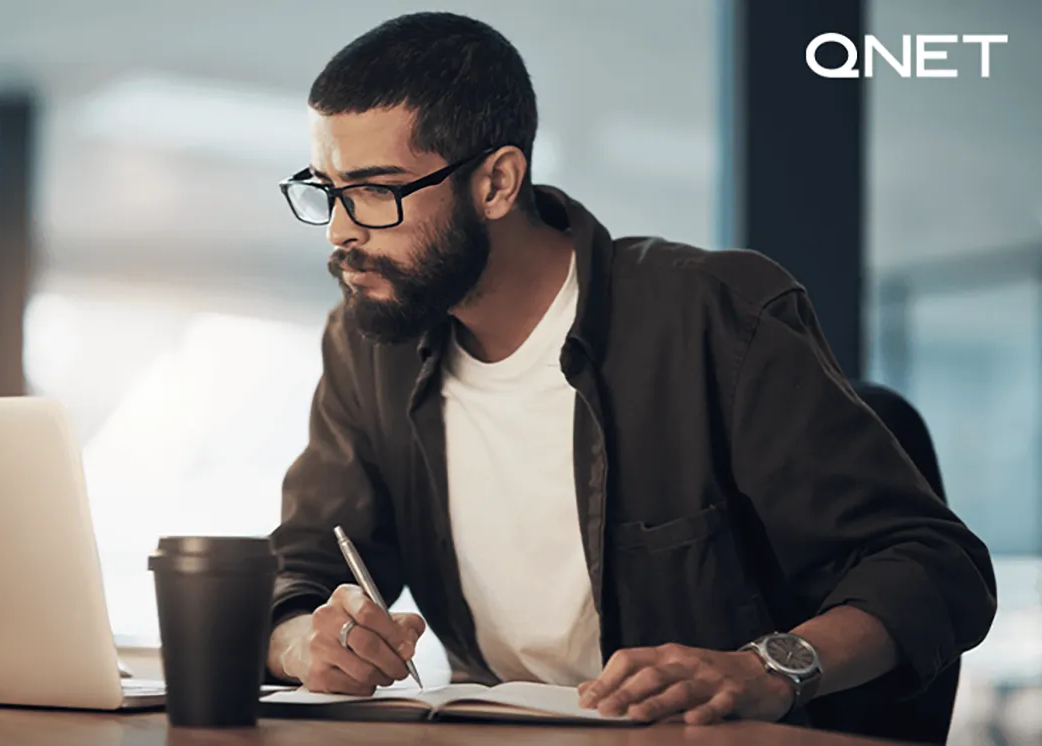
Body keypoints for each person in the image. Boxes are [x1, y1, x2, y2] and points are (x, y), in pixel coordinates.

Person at [264, 10, 997, 734]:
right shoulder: (368, 348)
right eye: (325, 189)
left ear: (496, 183)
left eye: (374, 191)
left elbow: (936, 567)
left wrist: (768, 669)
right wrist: (306, 642)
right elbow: (299, 568)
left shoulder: (715, 316)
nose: (338, 229)